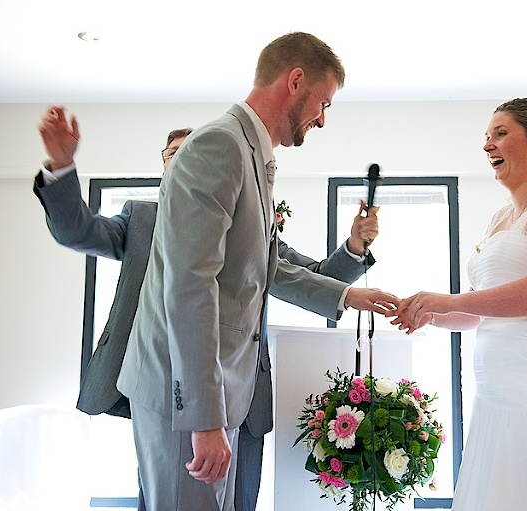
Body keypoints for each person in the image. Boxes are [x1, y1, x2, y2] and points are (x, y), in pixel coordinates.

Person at [34, 105, 385, 511]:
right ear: (164, 167)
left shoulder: (248, 218)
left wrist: (356, 247)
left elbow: (310, 274)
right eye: (173, 154)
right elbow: (78, 230)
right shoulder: (143, 220)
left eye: (192, 152)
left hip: (243, 391)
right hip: (167, 390)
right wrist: (61, 167)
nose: (184, 159)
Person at [116, 32, 399, 511]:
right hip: (181, 398)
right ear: (294, 81)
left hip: (220, 390)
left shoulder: (253, 154)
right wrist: (204, 420)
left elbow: (265, 270)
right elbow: (189, 285)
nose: (323, 120)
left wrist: (348, 297)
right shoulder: (219, 147)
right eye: (323, 103)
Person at [389, 98, 527, 510]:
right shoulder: (498, 219)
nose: (487, 145)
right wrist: (429, 313)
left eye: (500, 134)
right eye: (486, 137)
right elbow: (478, 314)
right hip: (497, 386)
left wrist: (447, 298)